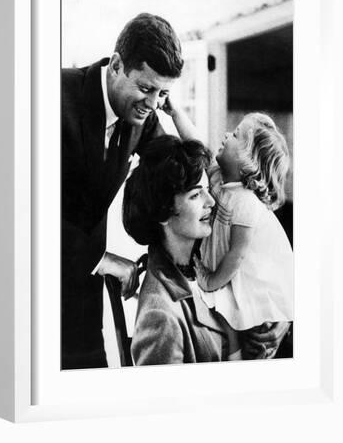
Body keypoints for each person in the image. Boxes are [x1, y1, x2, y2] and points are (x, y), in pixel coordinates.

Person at [61, 13, 184, 369]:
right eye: (146, 88)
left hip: (83, 304)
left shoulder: (143, 118)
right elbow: (17, 207)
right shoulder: (51, 97)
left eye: (163, 93)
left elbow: (179, 168)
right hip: (23, 296)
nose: (152, 103)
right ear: (116, 65)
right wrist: (101, 258)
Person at [123, 135, 289, 365]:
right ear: (163, 211)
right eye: (195, 195)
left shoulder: (214, 251)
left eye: (208, 189)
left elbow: (267, 277)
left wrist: (280, 319)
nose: (211, 201)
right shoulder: (159, 316)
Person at [170, 110, 293, 359]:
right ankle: (234, 356)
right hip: (226, 272)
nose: (227, 134)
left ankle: (238, 358)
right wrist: (174, 113)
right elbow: (195, 141)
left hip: (245, 277)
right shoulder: (218, 179)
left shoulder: (246, 203)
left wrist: (211, 279)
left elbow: (237, 255)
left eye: (235, 134)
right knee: (223, 310)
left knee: (236, 314)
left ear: (247, 161)